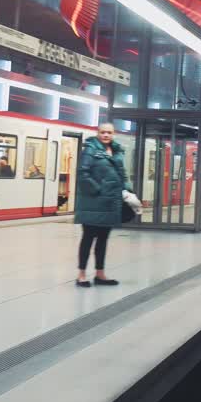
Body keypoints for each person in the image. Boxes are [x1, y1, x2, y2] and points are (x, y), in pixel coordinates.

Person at [74, 123, 128, 287]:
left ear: (113, 134)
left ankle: (100, 274)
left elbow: (122, 174)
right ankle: (81, 275)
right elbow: (82, 173)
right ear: (97, 133)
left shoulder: (116, 150)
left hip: (110, 202)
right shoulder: (90, 149)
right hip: (93, 202)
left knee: (103, 239)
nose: (106, 135)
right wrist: (98, 190)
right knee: (88, 238)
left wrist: (127, 190)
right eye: (103, 132)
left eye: (109, 132)